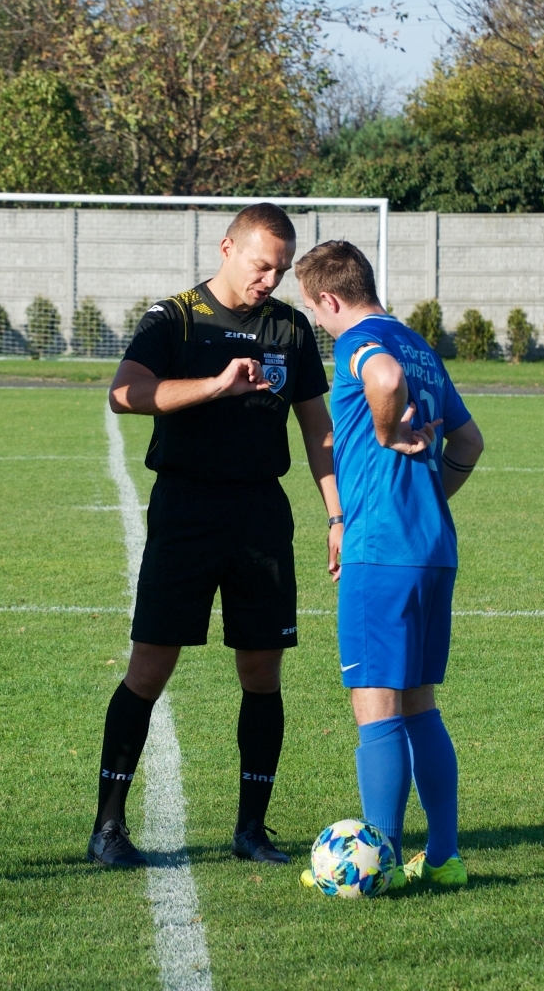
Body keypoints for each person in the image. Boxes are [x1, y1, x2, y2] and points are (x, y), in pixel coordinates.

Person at [87, 202, 342, 869]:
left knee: (261, 671)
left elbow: (317, 429)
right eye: (263, 266)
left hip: (260, 515)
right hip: (186, 510)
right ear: (227, 248)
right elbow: (125, 393)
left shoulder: (288, 328)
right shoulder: (173, 317)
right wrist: (214, 386)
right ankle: (107, 827)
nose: (271, 280)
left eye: (282, 271)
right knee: (149, 668)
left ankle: (251, 829)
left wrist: (337, 515)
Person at [296, 240, 485, 890]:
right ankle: (443, 857)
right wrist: (429, 495)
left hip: (380, 550)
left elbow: (380, 380)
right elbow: (469, 440)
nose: (320, 328)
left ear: (330, 299)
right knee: (420, 707)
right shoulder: (420, 346)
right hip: (433, 550)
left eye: (316, 314)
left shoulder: (361, 343)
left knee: (376, 707)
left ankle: (377, 865)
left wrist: (382, 432)